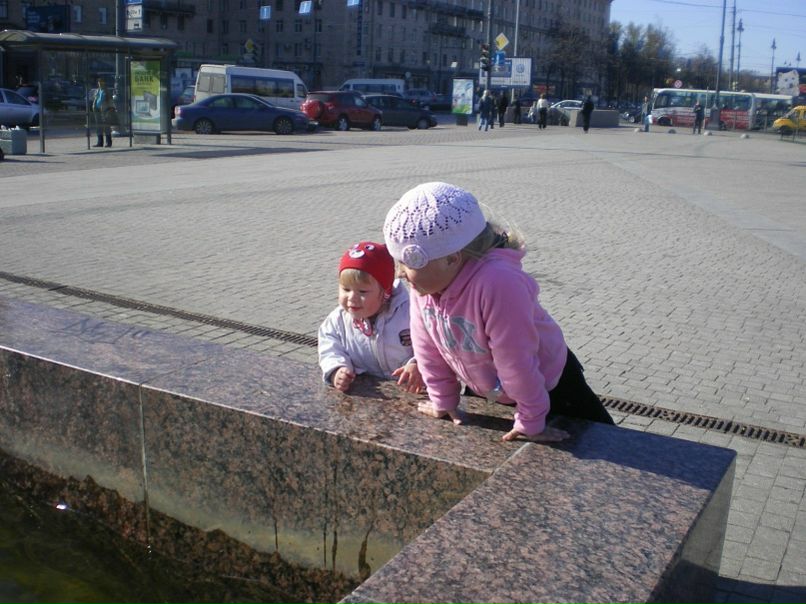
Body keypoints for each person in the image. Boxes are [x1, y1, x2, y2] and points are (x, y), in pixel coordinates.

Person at [382, 182, 614, 442]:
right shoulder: (425, 286)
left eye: (406, 263)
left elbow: (516, 359)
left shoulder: (498, 283)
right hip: (490, 383)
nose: (400, 273)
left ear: (452, 259)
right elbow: (427, 346)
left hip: (549, 384)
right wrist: (442, 399)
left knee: (605, 443)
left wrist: (531, 420)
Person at [318, 241, 423, 394]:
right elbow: (329, 345)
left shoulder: (409, 313)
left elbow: (432, 344)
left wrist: (417, 364)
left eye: (362, 292)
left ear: (385, 293)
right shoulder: (339, 319)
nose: (352, 298)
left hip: (412, 388)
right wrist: (336, 368)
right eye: (346, 289)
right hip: (368, 388)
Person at [90, 77, 114, 148]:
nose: (100, 84)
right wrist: (94, 105)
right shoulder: (98, 90)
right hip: (97, 110)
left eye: (101, 82)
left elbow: (110, 101)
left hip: (105, 110)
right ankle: (100, 142)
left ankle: (108, 142)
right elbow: (95, 98)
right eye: (99, 82)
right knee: (99, 127)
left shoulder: (106, 91)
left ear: (104, 83)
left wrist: (110, 109)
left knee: (106, 126)